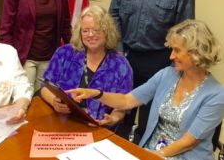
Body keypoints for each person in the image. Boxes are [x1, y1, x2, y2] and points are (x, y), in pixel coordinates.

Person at [67, 19, 224, 160]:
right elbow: (128, 100)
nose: (171, 56)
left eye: (176, 50)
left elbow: (189, 142)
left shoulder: (216, 95)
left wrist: (153, 156)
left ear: (195, 53)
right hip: (151, 152)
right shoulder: (167, 74)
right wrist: (96, 94)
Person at [109, 0, 195, 141]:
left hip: (159, 63)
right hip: (125, 57)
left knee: (148, 124)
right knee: (118, 117)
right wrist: (118, 51)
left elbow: (185, 33)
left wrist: (176, 69)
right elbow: (114, 16)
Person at [40, 5, 133, 130]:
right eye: (85, 30)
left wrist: (113, 119)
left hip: (98, 129)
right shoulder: (64, 53)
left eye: (96, 30)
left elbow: (123, 105)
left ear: (107, 31)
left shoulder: (121, 65)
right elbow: (45, 86)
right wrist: (53, 101)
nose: (90, 35)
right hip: (61, 123)